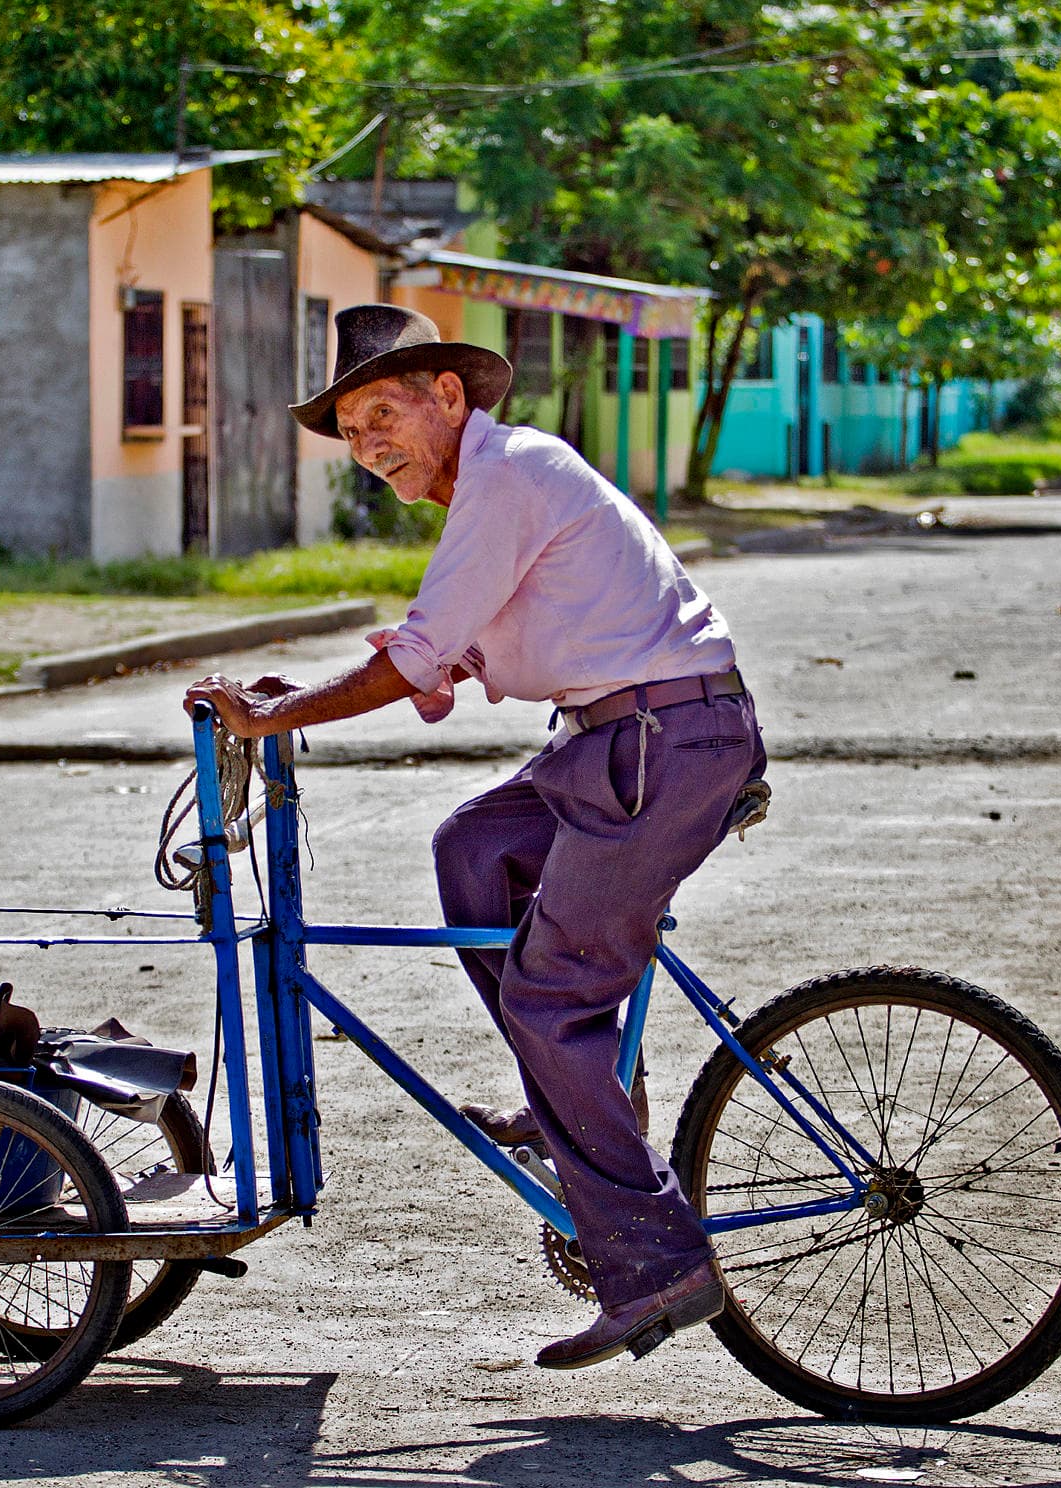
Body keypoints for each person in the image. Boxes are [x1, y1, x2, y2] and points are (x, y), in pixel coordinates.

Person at [184, 304, 766, 1370]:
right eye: (351, 432)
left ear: (448, 395)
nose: (368, 447)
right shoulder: (495, 492)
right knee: (471, 850)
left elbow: (410, 660)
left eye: (382, 414)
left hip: (659, 745)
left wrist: (274, 716)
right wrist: (331, 690)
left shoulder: (505, 477)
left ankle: (654, 1266)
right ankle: (578, 1102)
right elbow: (447, 651)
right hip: (618, 740)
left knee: (551, 998)